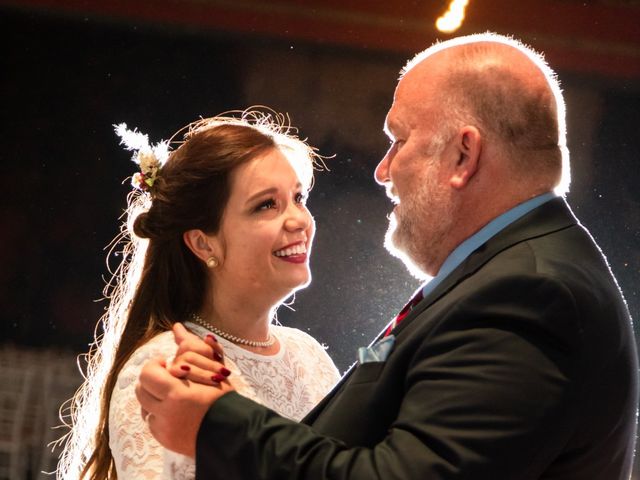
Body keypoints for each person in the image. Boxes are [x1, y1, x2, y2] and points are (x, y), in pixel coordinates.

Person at [136, 33, 639, 479]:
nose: (383, 170)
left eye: (399, 140)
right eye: (265, 204)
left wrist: (218, 423)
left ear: (463, 156)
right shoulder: (501, 274)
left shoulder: (530, 294)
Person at [56, 112, 340, 480]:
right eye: (266, 205)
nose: (299, 221)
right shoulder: (165, 368)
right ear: (203, 242)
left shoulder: (310, 356)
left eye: (298, 198)